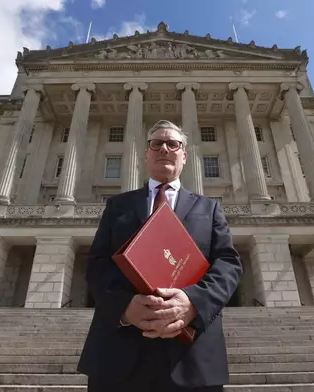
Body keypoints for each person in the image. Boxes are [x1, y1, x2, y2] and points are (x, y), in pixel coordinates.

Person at [77, 120, 243, 392]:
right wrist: (125, 307)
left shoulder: (210, 208)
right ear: (146, 154)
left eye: (173, 144)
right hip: (119, 356)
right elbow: (97, 264)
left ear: (184, 155)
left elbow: (228, 264)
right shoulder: (118, 205)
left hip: (192, 358)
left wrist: (193, 302)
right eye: (156, 143)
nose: (164, 149)